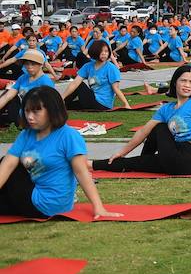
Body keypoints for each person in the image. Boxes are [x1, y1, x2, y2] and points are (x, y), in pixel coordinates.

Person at [0, 86, 121, 219]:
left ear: (52, 110)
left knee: (8, 163)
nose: (29, 117)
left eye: (36, 111)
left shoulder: (68, 136)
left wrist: (98, 207)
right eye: (27, 111)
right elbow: (8, 164)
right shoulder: (26, 134)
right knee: (7, 163)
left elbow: (82, 172)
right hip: (32, 192)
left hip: (48, 203)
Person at [92, 65, 191, 175]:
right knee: (132, 162)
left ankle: (145, 158)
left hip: (190, 159)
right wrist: (121, 152)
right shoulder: (166, 109)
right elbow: (143, 132)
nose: (187, 85)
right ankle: (90, 164)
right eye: (183, 80)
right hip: (173, 156)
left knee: (160, 127)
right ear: (175, 83)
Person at [60, 39, 132, 111]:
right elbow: (75, 82)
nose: (104, 53)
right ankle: (59, 103)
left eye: (106, 51)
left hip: (103, 104)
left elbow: (116, 88)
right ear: (94, 52)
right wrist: (62, 97)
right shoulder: (88, 66)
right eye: (101, 51)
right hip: (92, 99)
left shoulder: (111, 68)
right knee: (68, 105)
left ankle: (59, 103)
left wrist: (126, 104)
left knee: (80, 85)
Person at [0, 49, 56, 128]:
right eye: (27, 64)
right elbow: (7, 97)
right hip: (22, 112)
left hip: (33, 116)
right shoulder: (23, 78)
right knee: (8, 92)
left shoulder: (45, 81)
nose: (29, 67)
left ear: (41, 65)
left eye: (33, 64)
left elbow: (50, 105)